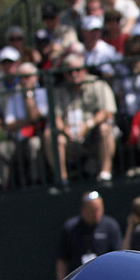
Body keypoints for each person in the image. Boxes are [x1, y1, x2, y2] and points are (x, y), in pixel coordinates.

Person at [44, 54, 117, 184]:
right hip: (70, 136)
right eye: (69, 71)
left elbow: (108, 111)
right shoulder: (59, 90)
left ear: (85, 70)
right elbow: (55, 116)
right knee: (50, 135)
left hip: (93, 135)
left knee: (105, 128)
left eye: (77, 70)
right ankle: (62, 179)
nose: (74, 74)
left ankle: (105, 174)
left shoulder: (98, 84)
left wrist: (88, 124)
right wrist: (64, 129)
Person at [0, 62, 48, 186]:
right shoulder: (14, 97)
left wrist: (29, 96)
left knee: (34, 145)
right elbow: (9, 124)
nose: (24, 81)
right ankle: (1, 186)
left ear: (36, 77)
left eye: (27, 77)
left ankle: (36, 182)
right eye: (21, 78)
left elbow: (35, 117)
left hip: (38, 137)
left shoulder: (43, 93)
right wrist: (27, 121)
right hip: (17, 140)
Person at [56, 190, 122, 280]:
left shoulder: (111, 226)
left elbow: (118, 258)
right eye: (92, 211)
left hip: (105, 279)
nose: (96, 214)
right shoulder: (70, 227)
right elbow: (62, 260)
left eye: (99, 209)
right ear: (83, 210)